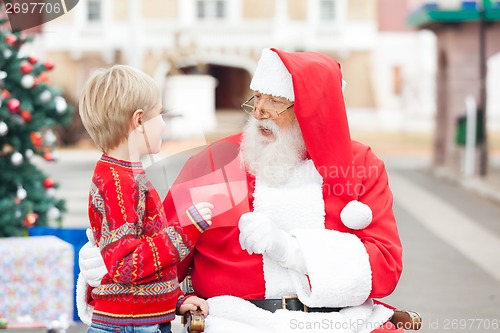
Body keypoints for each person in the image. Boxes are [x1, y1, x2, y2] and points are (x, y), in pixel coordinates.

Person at [80, 49, 404, 332]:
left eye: (275, 102)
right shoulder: (216, 162)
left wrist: (292, 250)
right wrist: (141, 283)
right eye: (257, 98)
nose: (260, 111)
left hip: (344, 322)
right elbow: (162, 247)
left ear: (313, 112)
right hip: (238, 323)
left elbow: (385, 268)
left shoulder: (359, 165)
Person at [76, 65, 213, 333]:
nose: (163, 122)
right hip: (130, 326)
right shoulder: (118, 183)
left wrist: (175, 300)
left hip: (142, 320)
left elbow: (142, 270)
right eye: (159, 114)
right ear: (139, 121)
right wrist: (186, 229)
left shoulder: (127, 175)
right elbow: (127, 265)